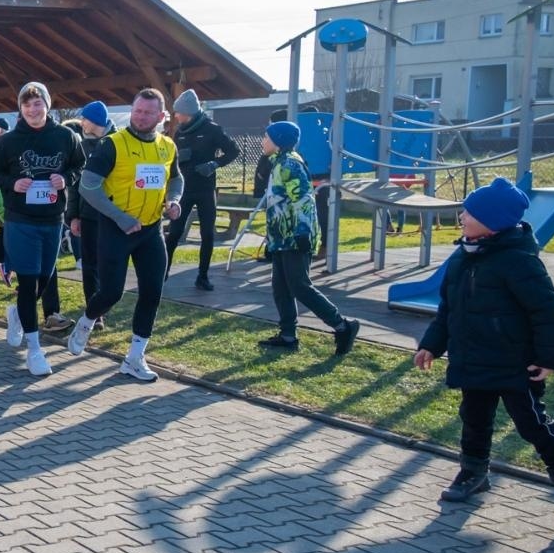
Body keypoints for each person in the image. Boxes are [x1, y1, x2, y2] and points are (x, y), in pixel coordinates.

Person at [415, 177, 554, 525]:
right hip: (474, 358)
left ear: (493, 223)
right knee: (474, 419)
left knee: (531, 423)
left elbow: (547, 313)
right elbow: (448, 310)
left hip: (514, 363)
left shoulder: (518, 261)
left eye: (471, 212)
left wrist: (549, 358)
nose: (463, 215)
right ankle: (473, 472)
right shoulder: (462, 258)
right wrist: (431, 344)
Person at [68, 88, 183, 382]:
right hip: (116, 229)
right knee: (111, 293)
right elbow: (88, 186)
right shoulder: (112, 145)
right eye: (137, 111)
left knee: (152, 292)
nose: (141, 117)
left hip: (151, 230)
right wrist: (119, 217)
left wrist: (174, 200)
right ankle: (87, 320)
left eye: (148, 112)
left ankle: (134, 358)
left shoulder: (167, 146)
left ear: (160, 116)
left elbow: (176, 178)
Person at [0, 82, 84, 377]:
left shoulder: (66, 136)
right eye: (27, 104)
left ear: (47, 105)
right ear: (21, 108)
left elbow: (80, 165)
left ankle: (17, 312)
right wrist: (11, 183)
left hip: (52, 219)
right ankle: (35, 349)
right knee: (28, 283)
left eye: (38, 103)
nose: (33, 109)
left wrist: (65, 178)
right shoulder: (9, 141)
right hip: (21, 220)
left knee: (43, 281)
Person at [256, 122, 360, 355]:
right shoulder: (278, 163)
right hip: (282, 238)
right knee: (280, 287)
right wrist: (272, 239)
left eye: (266, 137)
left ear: (278, 141)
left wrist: (302, 232)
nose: (263, 141)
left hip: (295, 237)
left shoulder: (290, 164)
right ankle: (287, 335)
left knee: (300, 286)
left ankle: (343, 326)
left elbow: (303, 200)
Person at [163, 89, 239, 291]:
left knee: (207, 234)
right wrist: (180, 158)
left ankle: (203, 276)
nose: (176, 116)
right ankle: (163, 272)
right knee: (174, 232)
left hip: (206, 190)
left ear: (188, 112)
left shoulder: (212, 129)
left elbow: (233, 151)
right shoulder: (179, 132)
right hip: (184, 190)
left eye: (178, 112)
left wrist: (214, 164)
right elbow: (172, 160)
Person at [63, 101, 113, 329]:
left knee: (110, 262)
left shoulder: (116, 144)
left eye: (85, 118)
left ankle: (105, 302)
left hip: (112, 215)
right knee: (90, 264)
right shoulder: (81, 147)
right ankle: (96, 314)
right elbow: (74, 185)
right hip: (88, 215)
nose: (81, 122)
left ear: (95, 121)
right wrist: (73, 216)